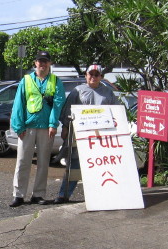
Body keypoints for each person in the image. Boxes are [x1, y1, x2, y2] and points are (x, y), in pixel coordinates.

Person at [54, 64, 120, 204]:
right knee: (74, 166)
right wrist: (65, 128)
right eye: (91, 74)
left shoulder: (108, 92)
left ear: (101, 77)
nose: (93, 77)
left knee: (99, 167)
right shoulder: (77, 91)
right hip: (80, 137)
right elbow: (68, 112)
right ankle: (63, 194)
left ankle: (99, 196)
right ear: (86, 75)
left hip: (101, 138)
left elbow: (117, 112)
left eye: (97, 75)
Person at [9, 51, 66, 207]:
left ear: (50, 63)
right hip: (27, 127)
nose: (42, 64)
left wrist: (53, 124)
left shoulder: (56, 81)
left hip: (46, 128)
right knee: (22, 161)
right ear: (35, 63)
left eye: (45, 61)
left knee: (43, 162)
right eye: (40, 61)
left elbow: (58, 103)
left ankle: (38, 194)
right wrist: (18, 126)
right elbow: (18, 104)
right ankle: (18, 195)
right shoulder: (26, 80)